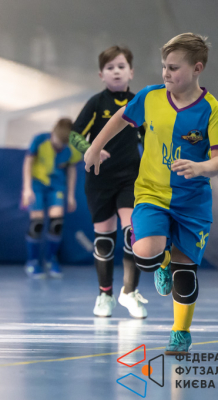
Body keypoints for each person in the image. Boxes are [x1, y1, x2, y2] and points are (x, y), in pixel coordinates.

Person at [84, 33, 218, 354]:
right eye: (164, 66)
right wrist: (95, 147)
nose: (166, 73)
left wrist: (201, 167)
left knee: (185, 273)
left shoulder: (211, 110)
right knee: (146, 255)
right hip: (152, 194)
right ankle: (161, 260)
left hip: (192, 204)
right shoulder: (150, 97)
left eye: (174, 68)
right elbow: (120, 119)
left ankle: (180, 332)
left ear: (197, 68)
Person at [69, 46, 148, 319]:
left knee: (132, 234)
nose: (116, 71)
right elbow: (75, 135)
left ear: (131, 72)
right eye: (110, 67)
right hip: (99, 180)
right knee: (104, 240)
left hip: (131, 178)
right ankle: (105, 295)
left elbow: (149, 137)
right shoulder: (96, 103)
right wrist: (91, 149)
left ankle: (130, 292)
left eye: (121, 66)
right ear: (101, 75)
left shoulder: (139, 103)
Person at [21, 118, 81, 279]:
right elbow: (28, 163)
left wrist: (71, 196)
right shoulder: (39, 140)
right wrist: (27, 189)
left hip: (57, 186)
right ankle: (33, 262)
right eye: (58, 142)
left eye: (63, 144)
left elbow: (71, 170)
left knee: (57, 223)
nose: (59, 146)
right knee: (37, 223)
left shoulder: (71, 149)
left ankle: (51, 259)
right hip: (37, 185)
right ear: (53, 132)